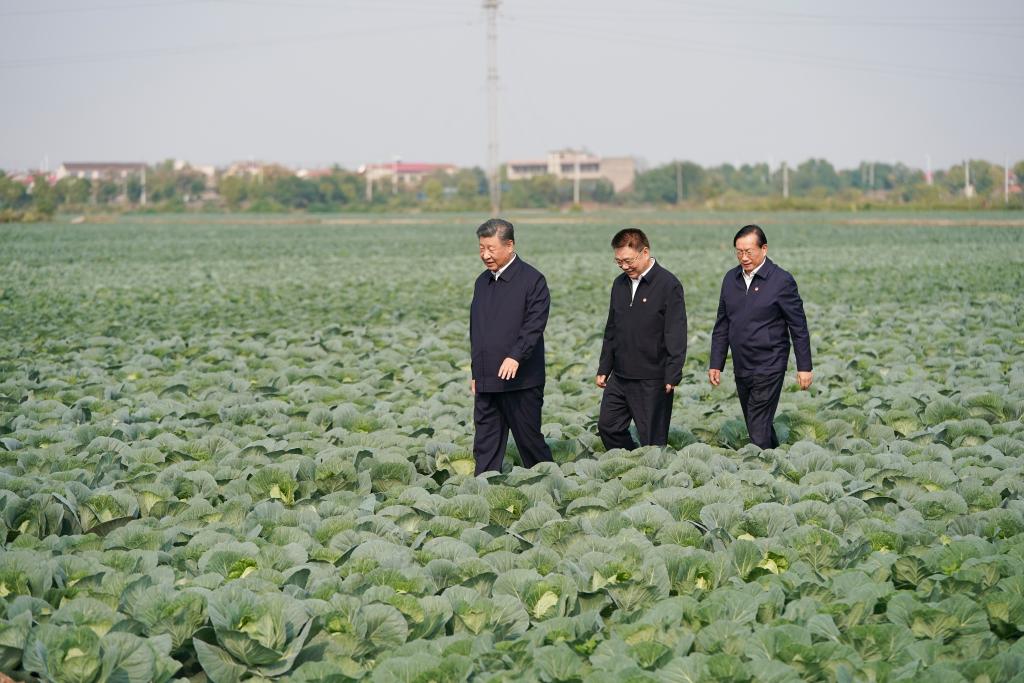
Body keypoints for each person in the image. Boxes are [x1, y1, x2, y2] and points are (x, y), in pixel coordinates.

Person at [708, 224, 813, 449]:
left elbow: (798, 326)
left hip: (770, 363)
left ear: (763, 249)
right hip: (742, 364)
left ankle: (759, 468)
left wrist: (804, 367)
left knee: (757, 423)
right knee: (757, 422)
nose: (744, 257)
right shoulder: (730, 279)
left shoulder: (781, 280)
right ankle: (775, 460)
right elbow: (722, 323)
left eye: (749, 252)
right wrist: (716, 362)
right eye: (739, 252)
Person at [470, 218, 554, 474]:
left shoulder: (533, 280)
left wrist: (515, 356)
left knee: (529, 442)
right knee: (485, 443)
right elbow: (477, 331)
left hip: (521, 381)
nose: (485, 255)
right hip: (487, 380)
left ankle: (550, 486)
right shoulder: (482, 282)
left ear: (509, 245)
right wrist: (476, 372)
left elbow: (534, 326)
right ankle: (482, 491)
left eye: (491, 248)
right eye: (481, 248)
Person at [596, 228, 687, 450]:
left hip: (652, 377)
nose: (624, 266)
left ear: (644, 252)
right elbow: (612, 328)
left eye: (628, 260)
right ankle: (631, 461)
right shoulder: (619, 284)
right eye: (619, 262)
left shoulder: (668, 284)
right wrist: (604, 367)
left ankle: (654, 478)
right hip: (621, 375)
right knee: (608, 426)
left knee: (652, 441)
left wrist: (672, 373)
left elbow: (676, 333)